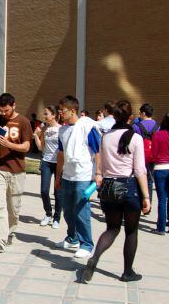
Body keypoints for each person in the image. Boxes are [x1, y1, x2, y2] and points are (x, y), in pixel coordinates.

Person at [79, 100, 150, 283]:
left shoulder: (106, 136)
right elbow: (140, 170)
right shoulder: (135, 138)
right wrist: (147, 196)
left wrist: (99, 175)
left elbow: (100, 164)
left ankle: (94, 258)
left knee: (111, 228)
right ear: (131, 117)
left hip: (109, 187)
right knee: (131, 231)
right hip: (129, 186)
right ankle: (127, 272)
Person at [0, 93, 33, 255]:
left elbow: (26, 147)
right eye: (1, 110)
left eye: (6, 110)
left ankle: (10, 231)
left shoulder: (24, 122)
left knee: (13, 208)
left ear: (14, 105)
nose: (3, 113)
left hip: (17, 170)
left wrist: (9, 145)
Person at [55, 95, 101, 258]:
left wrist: (98, 173)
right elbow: (61, 154)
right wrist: (58, 176)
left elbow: (97, 151)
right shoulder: (62, 130)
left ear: (73, 110)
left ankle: (86, 244)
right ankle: (72, 238)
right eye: (59, 111)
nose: (60, 114)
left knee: (81, 211)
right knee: (67, 211)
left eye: (62, 111)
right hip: (67, 175)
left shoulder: (87, 126)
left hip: (83, 175)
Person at [35, 105, 62, 229]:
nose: (44, 116)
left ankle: (57, 218)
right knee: (44, 190)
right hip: (46, 161)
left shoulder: (62, 130)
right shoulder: (45, 130)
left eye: (46, 114)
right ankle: (48, 214)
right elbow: (41, 147)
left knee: (58, 193)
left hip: (59, 163)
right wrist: (36, 136)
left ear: (54, 115)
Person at [133, 103, 159, 212]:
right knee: (149, 180)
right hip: (153, 156)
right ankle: (148, 204)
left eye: (140, 113)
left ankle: (140, 203)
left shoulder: (136, 126)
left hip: (140, 156)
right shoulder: (158, 126)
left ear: (143, 113)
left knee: (139, 178)